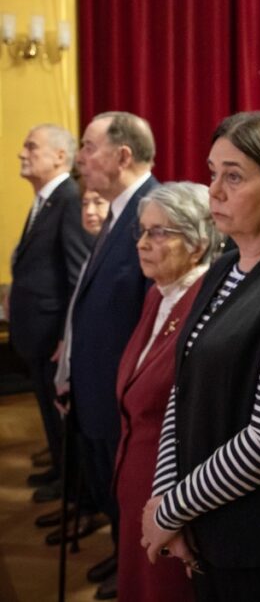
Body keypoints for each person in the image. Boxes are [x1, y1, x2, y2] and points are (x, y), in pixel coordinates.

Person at [137, 112, 260, 601]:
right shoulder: (223, 267)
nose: (214, 191)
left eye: (234, 176)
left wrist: (169, 511)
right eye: (212, 172)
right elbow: (182, 387)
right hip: (201, 525)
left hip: (253, 545)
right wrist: (168, 499)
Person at [55, 111, 160, 599]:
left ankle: (132, 571)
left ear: (122, 155)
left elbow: (153, 318)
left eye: (88, 146)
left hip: (127, 397)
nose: (80, 158)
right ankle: (121, 556)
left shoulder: (154, 212)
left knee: (129, 496)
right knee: (110, 493)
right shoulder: (120, 209)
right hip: (98, 388)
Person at [113, 182, 219, 602]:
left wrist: (173, 508)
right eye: (142, 231)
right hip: (135, 482)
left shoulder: (202, 302)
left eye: (159, 232)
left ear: (197, 244)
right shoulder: (158, 295)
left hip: (169, 495)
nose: (143, 243)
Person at [8, 125, 92, 505]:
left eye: (31, 146)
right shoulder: (45, 199)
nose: (22, 153)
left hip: (52, 334)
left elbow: (77, 274)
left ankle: (72, 486)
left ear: (61, 156)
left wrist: (66, 335)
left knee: (60, 417)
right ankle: (60, 470)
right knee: (44, 407)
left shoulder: (69, 197)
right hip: (35, 330)